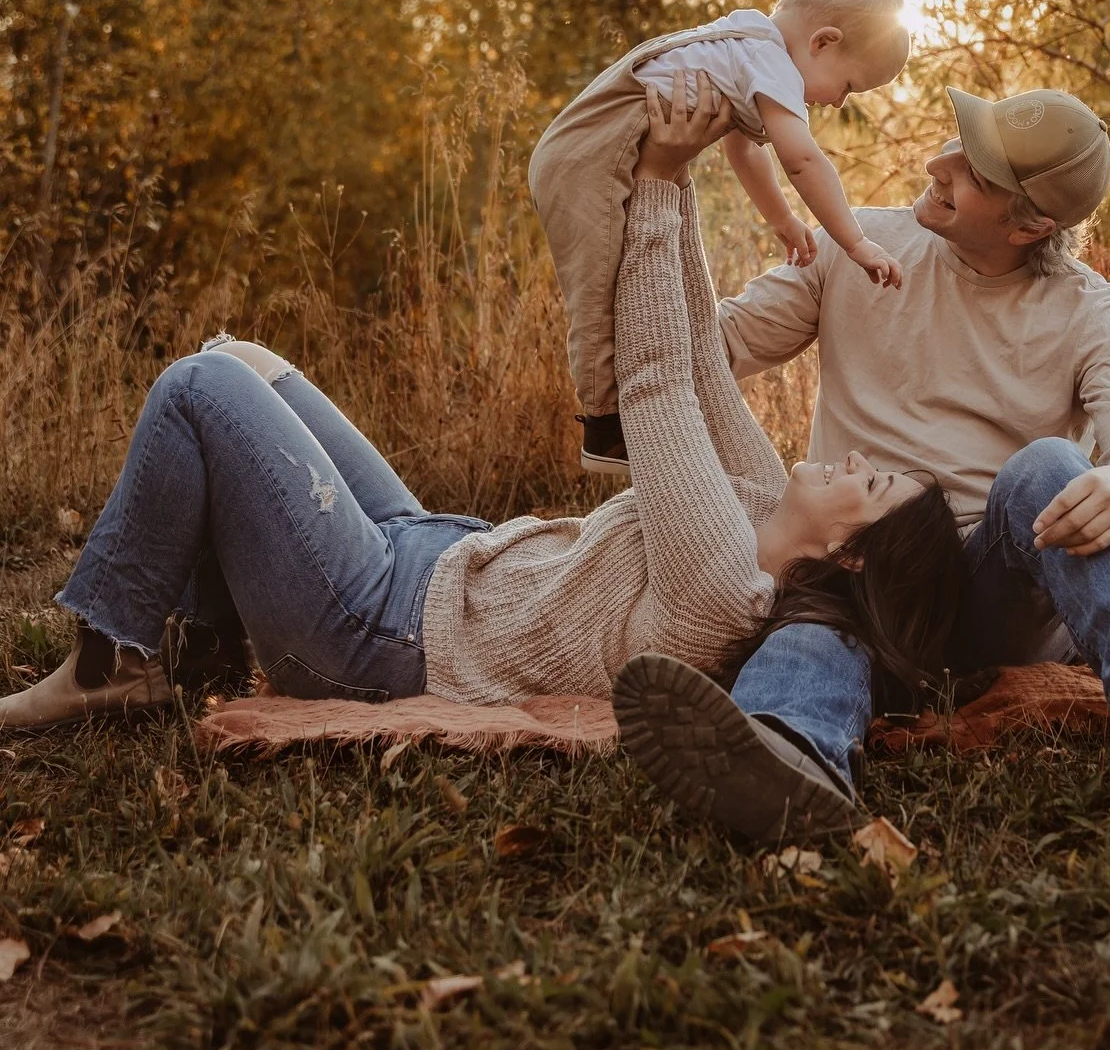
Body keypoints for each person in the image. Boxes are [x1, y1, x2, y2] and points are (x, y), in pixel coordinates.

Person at [0, 85, 963, 791]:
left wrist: (661, 170)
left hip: (376, 629)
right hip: (436, 554)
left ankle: (106, 667)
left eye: (870, 485)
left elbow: (660, 382)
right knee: (244, 359)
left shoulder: (724, 583)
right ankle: (198, 647)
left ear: (846, 554)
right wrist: (679, 176)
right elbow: (705, 363)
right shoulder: (758, 504)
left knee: (197, 389)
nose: (849, 459)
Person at [613, 86, 1110, 830]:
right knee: (830, 600)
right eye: (958, 141)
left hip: (993, 600)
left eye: (973, 171)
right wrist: (655, 187)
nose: (938, 161)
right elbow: (709, 349)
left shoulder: (1095, 316)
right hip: (861, 577)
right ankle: (788, 754)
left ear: (1032, 225)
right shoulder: (858, 246)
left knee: (1045, 468)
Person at [529, 0, 910, 476]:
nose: (841, 103)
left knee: (630, 275)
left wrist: (781, 220)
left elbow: (744, 149)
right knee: (598, 282)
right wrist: (855, 242)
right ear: (823, 42)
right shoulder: (770, 60)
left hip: (590, 149)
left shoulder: (745, 46)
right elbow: (801, 159)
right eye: (849, 85)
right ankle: (605, 422)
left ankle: (648, 400)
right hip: (588, 156)